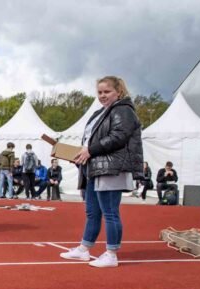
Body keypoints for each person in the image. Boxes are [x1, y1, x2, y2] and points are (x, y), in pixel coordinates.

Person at [60, 76, 143, 268]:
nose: (102, 95)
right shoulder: (100, 112)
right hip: (94, 167)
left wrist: (90, 150)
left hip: (112, 167)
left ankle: (111, 253)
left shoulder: (123, 110)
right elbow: (90, 140)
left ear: (119, 92)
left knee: (110, 212)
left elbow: (118, 136)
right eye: (99, 92)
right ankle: (84, 249)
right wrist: (81, 155)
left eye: (107, 92)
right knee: (92, 212)